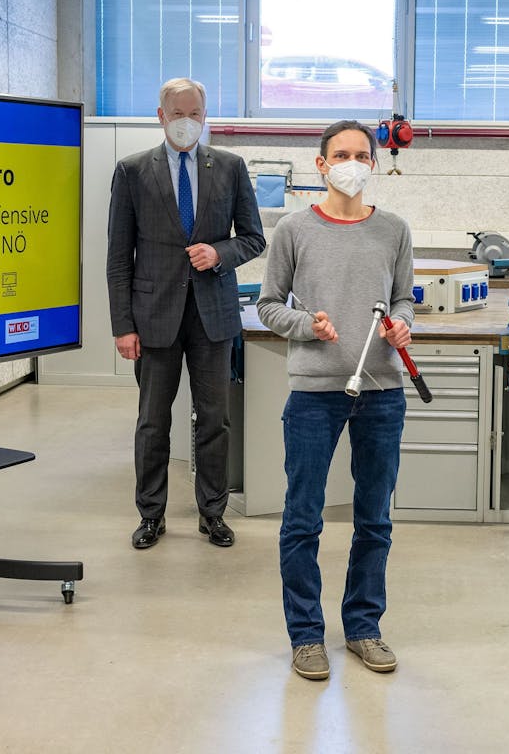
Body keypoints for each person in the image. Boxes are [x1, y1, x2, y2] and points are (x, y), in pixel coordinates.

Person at [256, 120, 414, 681]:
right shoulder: (295, 231)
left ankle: (365, 628)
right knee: (302, 520)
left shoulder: (394, 230)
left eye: (361, 154)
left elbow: (403, 299)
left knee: (375, 520)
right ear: (320, 165)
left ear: (374, 162)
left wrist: (401, 324)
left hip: (382, 391)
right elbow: (269, 305)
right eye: (340, 154)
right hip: (314, 396)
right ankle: (305, 637)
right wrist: (307, 324)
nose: (352, 163)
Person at [106, 77, 266, 550]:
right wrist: (122, 325)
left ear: (205, 115)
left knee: (214, 419)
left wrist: (220, 254)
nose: (187, 122)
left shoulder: (231, 167)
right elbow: (119, 257)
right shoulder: (133, 170)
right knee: (153, 422)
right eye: (177, 114)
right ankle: (150, 514)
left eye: (195, 113)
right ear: (161, 116)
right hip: (153, 317)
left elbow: (253, 238)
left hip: (213, 316)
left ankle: (212, 513)